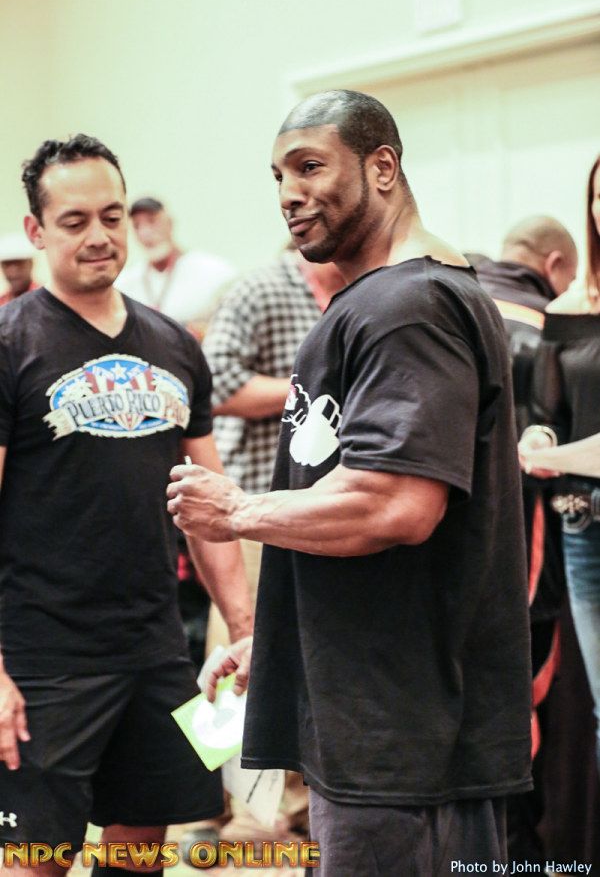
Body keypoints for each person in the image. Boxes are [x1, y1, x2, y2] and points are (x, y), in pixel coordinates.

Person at [167, 90, 533, 875]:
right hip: (375, 714)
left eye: (310, 167)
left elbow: (395, 504)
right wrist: (285, 640)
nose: (289, 193)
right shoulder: (386, 300)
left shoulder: (410, 306)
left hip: (403, 739)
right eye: (278, 176)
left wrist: (237, 509)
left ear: (383, 167)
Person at [0, 134, 252, 872]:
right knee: (35, 858)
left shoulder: (174, 344)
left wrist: (244, 630)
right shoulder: (11, 344)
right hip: (42, 659)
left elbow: (209, 508)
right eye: (74, 220)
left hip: (156, 647)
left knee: (143, 852)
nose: (99, 235)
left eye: (111, 216)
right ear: (37, 231)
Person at [178, 250, 344, 851]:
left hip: (317, 512)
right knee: (233, 655)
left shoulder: (356, 295)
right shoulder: (258, 290)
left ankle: (288, 809)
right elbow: (214, 384)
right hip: (247, 505)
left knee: (295, 659)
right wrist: (312, 391)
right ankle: (214, 809)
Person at [470, 215, 577, 864]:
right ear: (556, 264)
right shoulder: (551, 328)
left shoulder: (448, 303)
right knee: (523, 702)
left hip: (434, 551)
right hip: (523, 553)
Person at [520, 154, 600, 775]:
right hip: (582, 521)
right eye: (598, 195)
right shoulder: (569, 308)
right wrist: (537, 440)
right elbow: (548, 411)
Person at [117, 196, 234, 337]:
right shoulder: (125, 285)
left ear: (170, 223)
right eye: (137, 226)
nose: (145, 232)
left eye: (152, 221)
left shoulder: (214, 272)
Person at [0, 232, 39, 304]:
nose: (13, 272)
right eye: (7, 265)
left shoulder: (47, 300)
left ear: (31, 263)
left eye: (18, 264)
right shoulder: (2, 303)